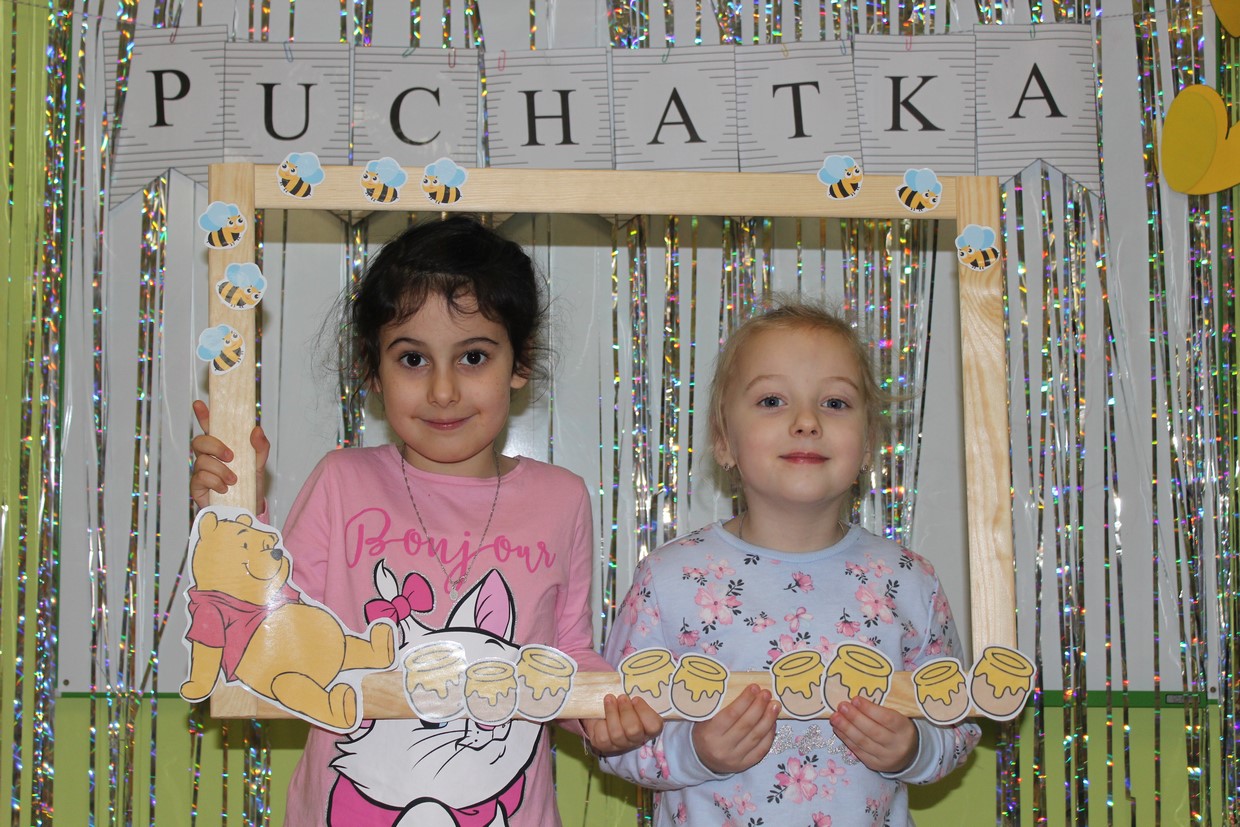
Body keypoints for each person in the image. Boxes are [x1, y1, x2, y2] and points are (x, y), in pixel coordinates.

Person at [190, 215, 662, 826]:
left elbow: (566, 654)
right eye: (413, 359)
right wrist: (234, 515)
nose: (442, 391)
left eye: (473, 357)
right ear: (372, 370)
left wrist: (604, 715)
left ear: (519, 363)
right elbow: (273, 635)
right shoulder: (342, 482)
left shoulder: (561, 498)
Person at [597, 299, 981, 826]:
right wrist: (696, 752)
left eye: (835, 402)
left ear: (869, 443)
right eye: (772, 400)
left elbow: (958, 724)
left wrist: (914, 749)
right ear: (723, 441)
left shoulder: (910, 581)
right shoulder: (668, 580)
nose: (806, 422)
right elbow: (612, 737)